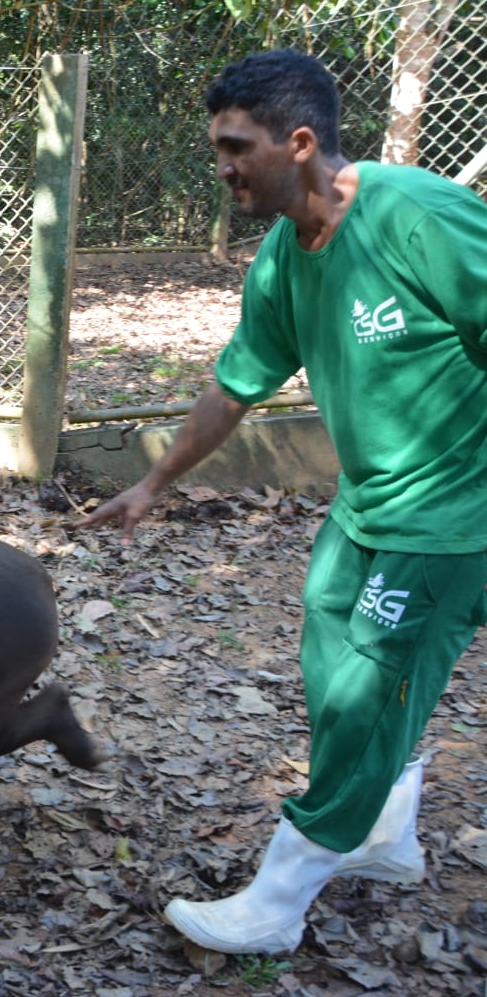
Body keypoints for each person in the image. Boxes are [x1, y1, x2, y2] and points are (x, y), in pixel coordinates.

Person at [74, 49, 487, 955]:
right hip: (369, 502)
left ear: (299, 144)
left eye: (234, 147)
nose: (220, 167)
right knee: (329, 657)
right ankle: (384, 833)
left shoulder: (418, 216)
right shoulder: (284, 254)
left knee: (366, 697)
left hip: (454, 518)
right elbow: (235, 387)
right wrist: (151, 483)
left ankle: (277, 898)